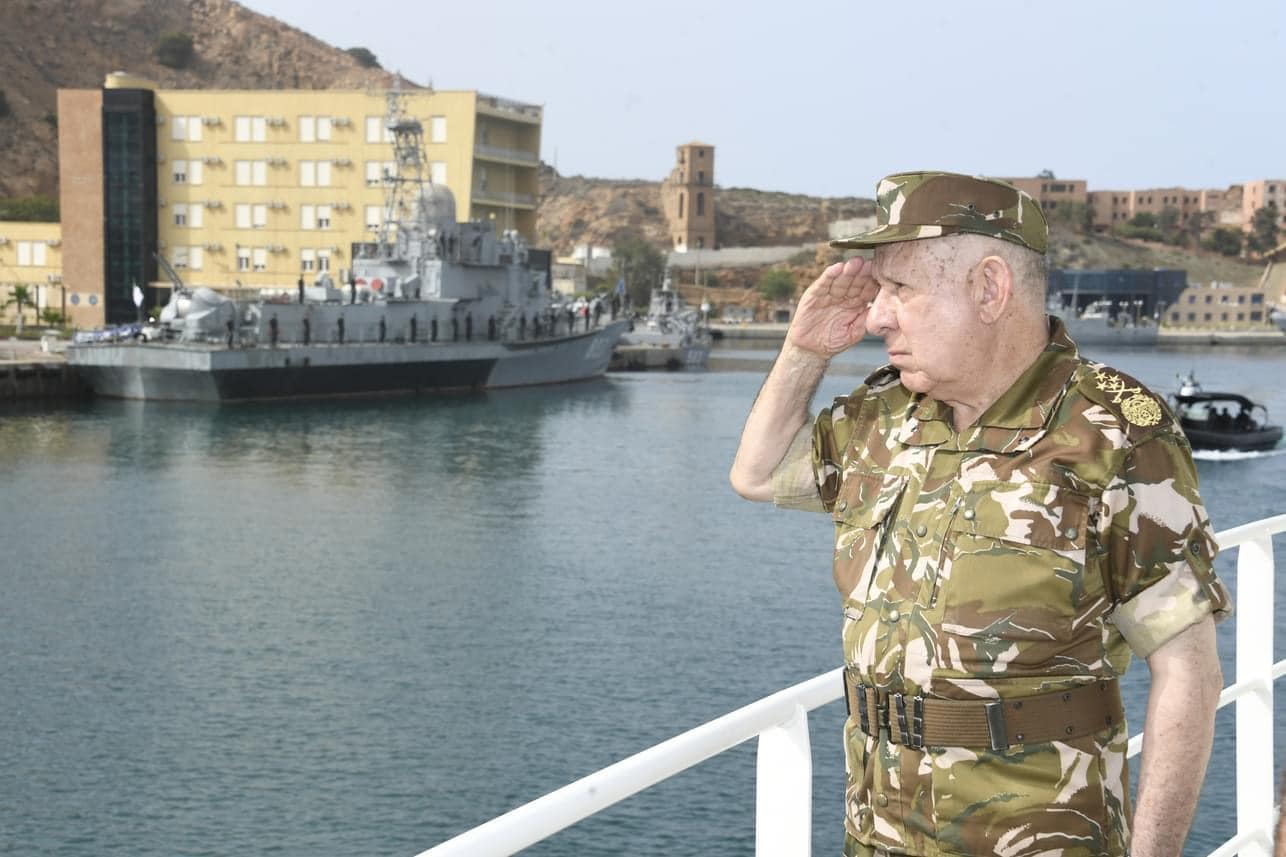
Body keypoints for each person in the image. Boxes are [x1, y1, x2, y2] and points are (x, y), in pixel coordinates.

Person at [729, 172, 1230, 857]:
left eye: (899, 289)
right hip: (876, 836)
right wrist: (804, 352)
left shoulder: (1111, 435)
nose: (877, 316)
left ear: (990, 289)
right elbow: (756, 473)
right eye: (877, 291)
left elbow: (1188, 673)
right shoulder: (883, 419)